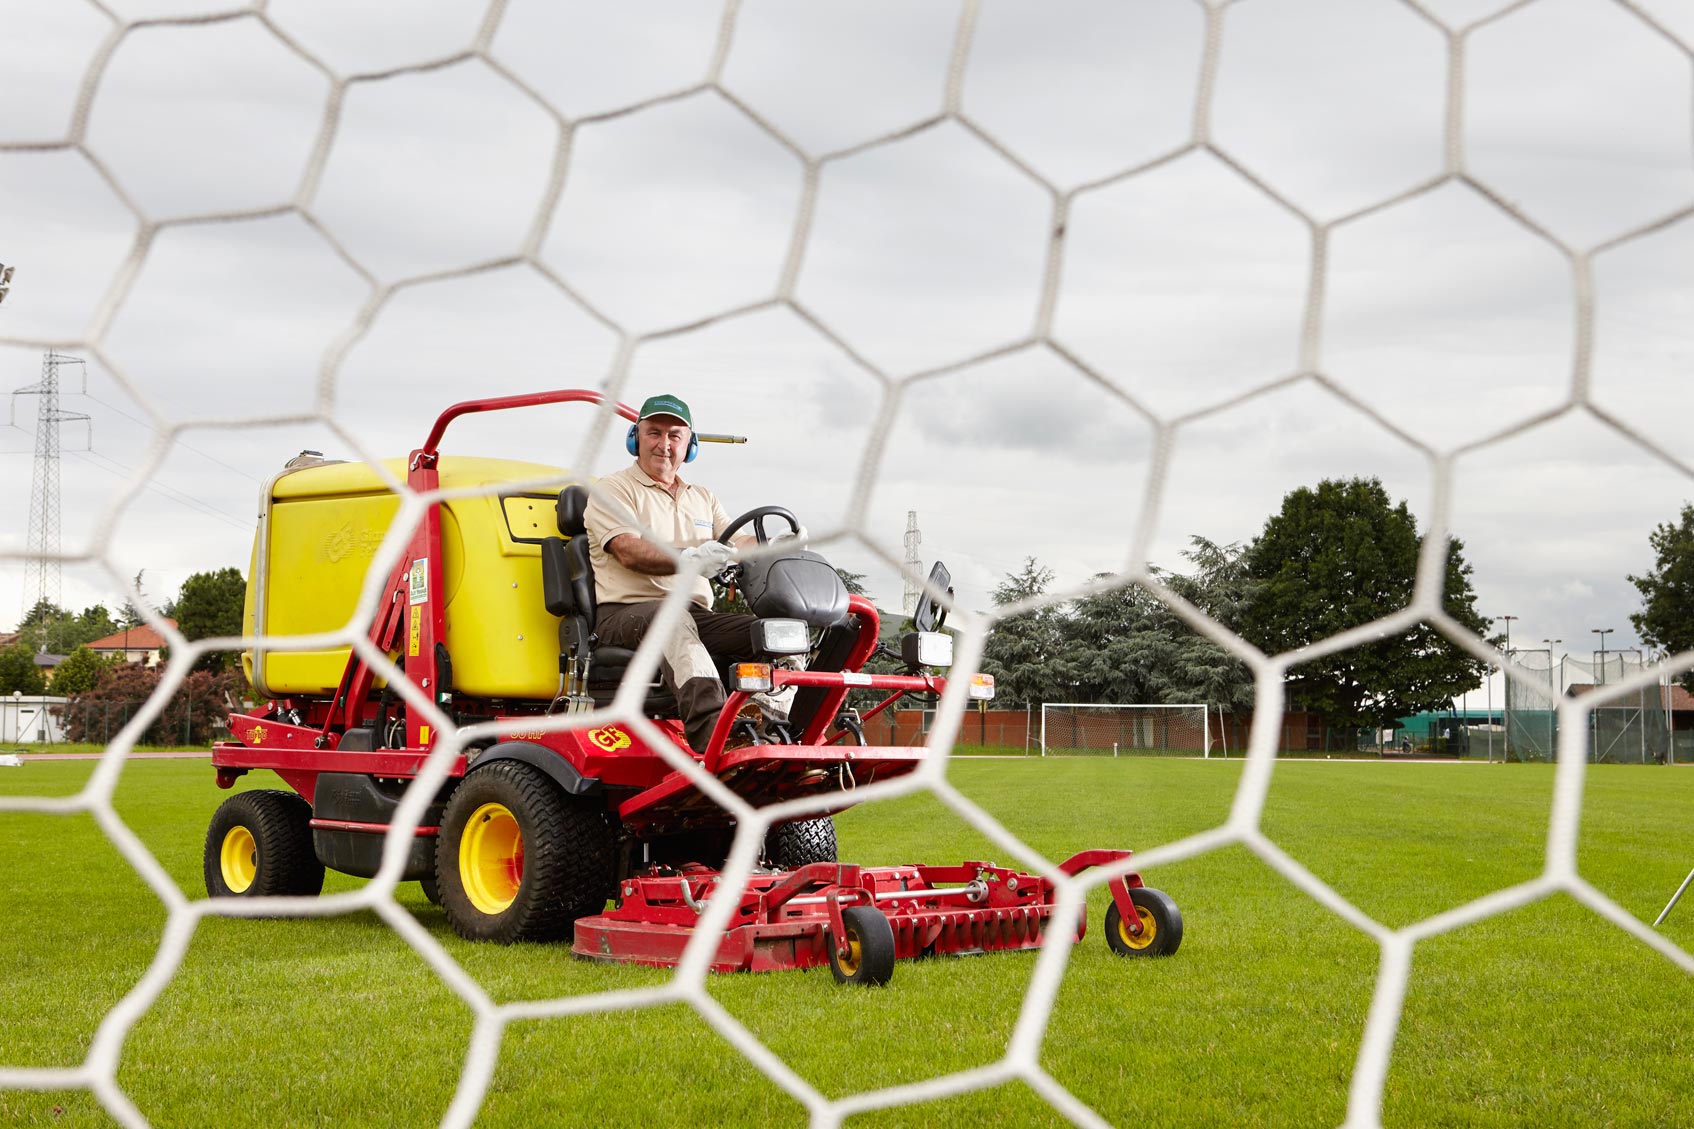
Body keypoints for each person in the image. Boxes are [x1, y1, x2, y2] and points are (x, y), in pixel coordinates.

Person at [582, 393, 759, 751]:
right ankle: (715, 738)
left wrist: (776, 546)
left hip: (693, 615)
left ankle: (769, 727)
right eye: (654, 433)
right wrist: (691, 558)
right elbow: (628, 550)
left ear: (689, 445)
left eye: (674, 436)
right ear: (635, 438)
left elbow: (739, 542)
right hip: (624, 615)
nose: (664, 445)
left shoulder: (703, 497)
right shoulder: (613, 489)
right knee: (671, 616)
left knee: (776, 633)